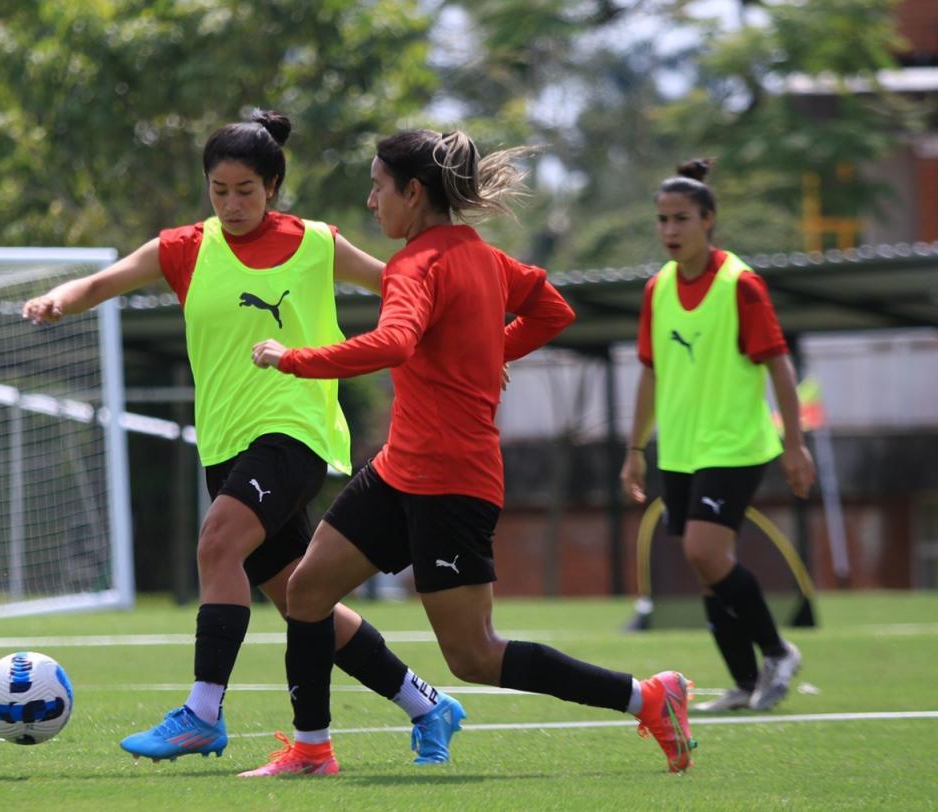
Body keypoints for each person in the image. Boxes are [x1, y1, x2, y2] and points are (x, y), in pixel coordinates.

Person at [244, 129, 696, 777]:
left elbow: (396, 342)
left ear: (413, 191)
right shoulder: (481, 257)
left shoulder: (416, 265)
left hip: (452, 482)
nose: (372, 201)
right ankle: (312, 750)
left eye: (378, 186)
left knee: (474, 656)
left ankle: (648, 697)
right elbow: (552, 310)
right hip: (400, 469)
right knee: (307, 591)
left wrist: (295, 359)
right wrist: (489, 351)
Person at [22, 110, 464, 765]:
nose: (232, 204)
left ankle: (203, 711)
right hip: (225, 445)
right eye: (219, 191)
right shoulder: (185, 248)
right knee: (300, 600)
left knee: (216, 543)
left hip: (296, 432)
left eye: (246, 191)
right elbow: (102, 282)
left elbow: (406, 283)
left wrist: (475, 333)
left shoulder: (319, 243)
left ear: (275, 185)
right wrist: (58, 299)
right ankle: (428, 705)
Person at [619, 159, 815, 713]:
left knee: (704, 550)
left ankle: (778, 652)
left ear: (708, 220)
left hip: (735, 443)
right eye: (662, 220)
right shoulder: (657, 289)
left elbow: (778, 365)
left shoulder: (741, 284)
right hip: (680, 449)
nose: (670, 231)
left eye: (681, 219)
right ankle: (745, 684)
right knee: (706, 569)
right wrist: (635, 450)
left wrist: (795, 444)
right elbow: (651, 374)